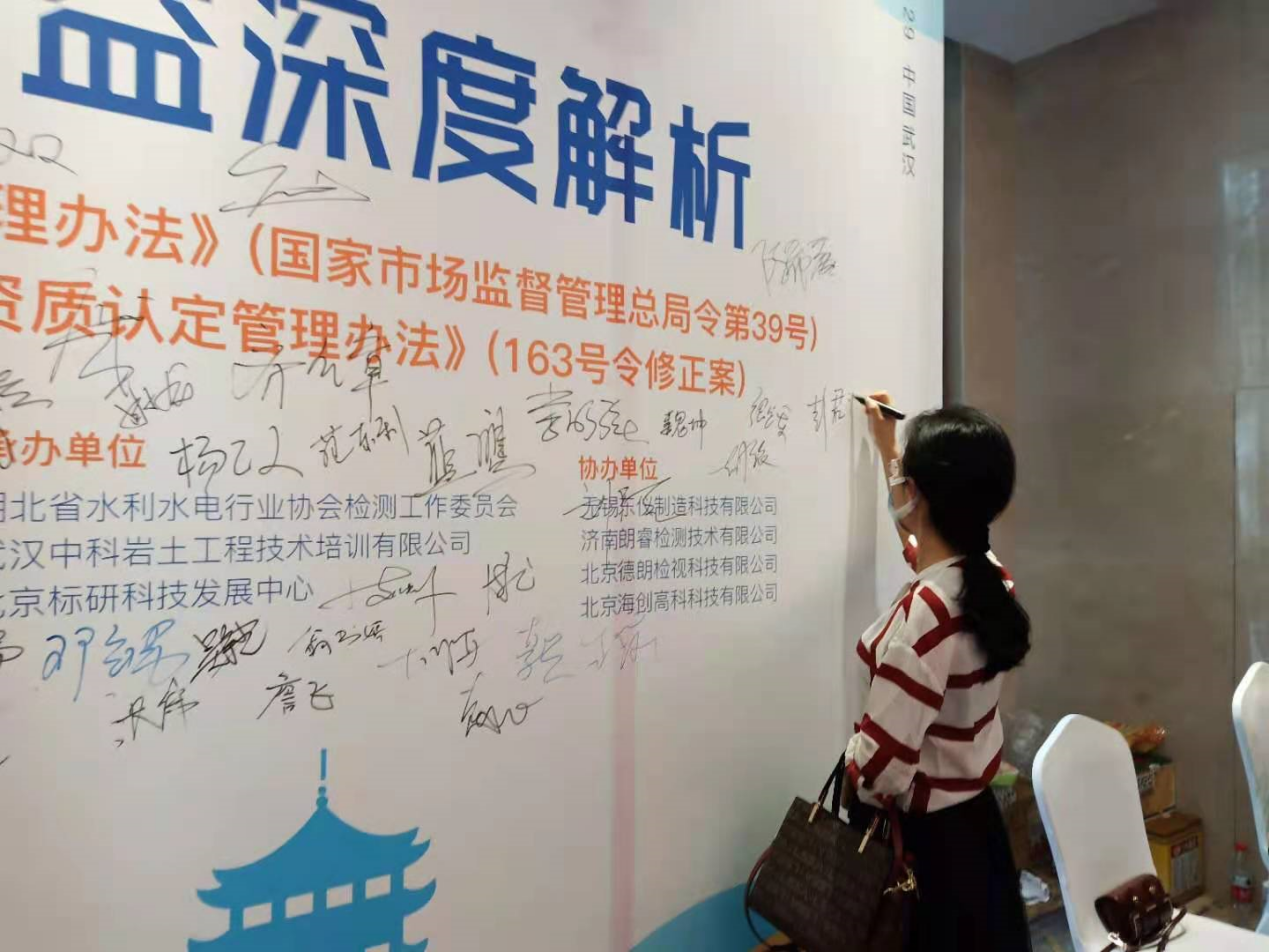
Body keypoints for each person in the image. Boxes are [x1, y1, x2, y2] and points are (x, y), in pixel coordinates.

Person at [846, 392, 1033, 951]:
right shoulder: (987, 577)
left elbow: (881, 771)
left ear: (922, 495)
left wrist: (852, 759)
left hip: (928, 857)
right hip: (976, 835)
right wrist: (890, 450)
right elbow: (918, 542)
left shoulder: (926, 613)